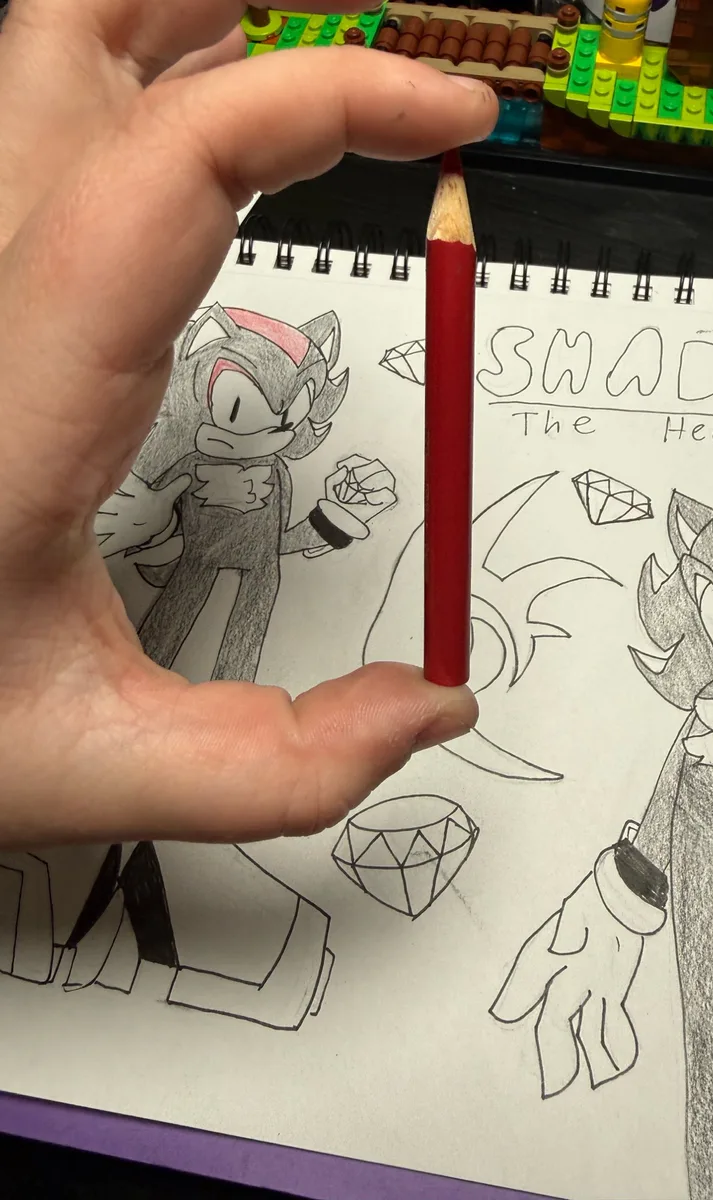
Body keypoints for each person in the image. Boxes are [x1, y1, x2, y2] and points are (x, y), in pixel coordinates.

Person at [0, 0, 496, 849]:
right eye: (241, 404)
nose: (276, 430)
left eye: (292, 414)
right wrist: (134, 520)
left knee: (244, 631)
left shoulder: (271, 480)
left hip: (253, 563)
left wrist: (333, 517)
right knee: (179, 607)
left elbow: (281, 543)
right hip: (195, 552)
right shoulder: (189, 469)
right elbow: (161, 533)